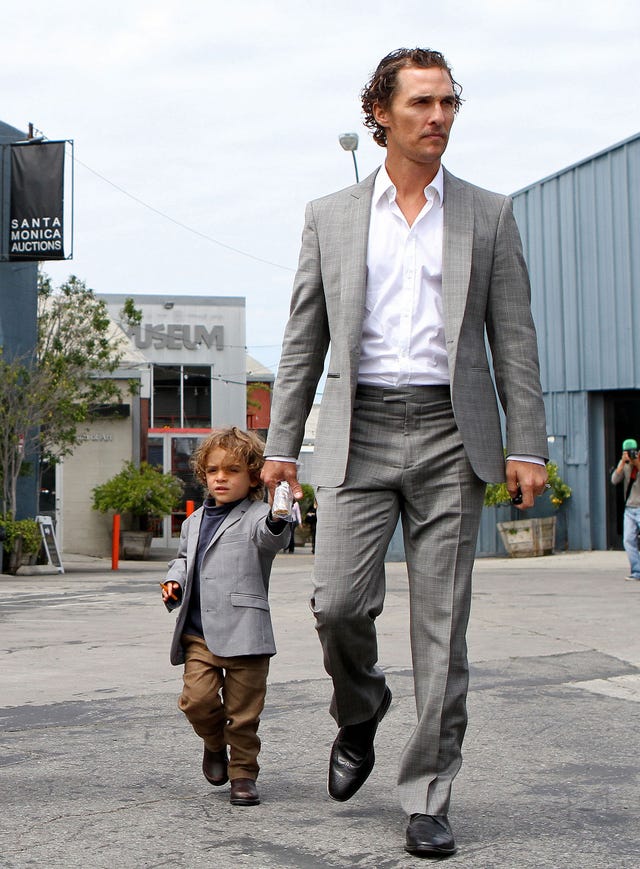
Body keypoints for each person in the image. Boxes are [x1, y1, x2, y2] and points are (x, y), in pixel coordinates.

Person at [261, 48, 549, 857]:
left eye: (449, 102)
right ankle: (360, 707)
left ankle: (427, 793)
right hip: (358, 432)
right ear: (379, 114)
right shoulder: (331, 215)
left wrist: (527, 442)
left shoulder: (488, 214)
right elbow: (303, 339)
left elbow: (514, 339)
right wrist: (281, 446)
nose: (439, 117)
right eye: (422, 102)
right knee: (338, 604)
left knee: (442, 629)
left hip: (453, 434)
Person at [161, 427, 290, 806]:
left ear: (253, 477)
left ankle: (243, 774)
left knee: (244, 714)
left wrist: (280, 514)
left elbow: (273, 538)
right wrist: (174, 580)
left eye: (233, 470)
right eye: (213, 470)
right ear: (203, 474)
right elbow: (184, 559)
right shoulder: (193, 521)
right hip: (199, 633)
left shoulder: (260, 516)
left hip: (246, 633)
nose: (221, 477)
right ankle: (215, 743)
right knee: (196, 701)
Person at [611, 437, 640, 580]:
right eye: (627, 452)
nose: (630, 454)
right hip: (629, 508)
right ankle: (637, 571)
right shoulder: (625, 464)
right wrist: (622, 463)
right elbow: (614, 480)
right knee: (628, 540)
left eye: (632, 452)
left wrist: (637, 463)